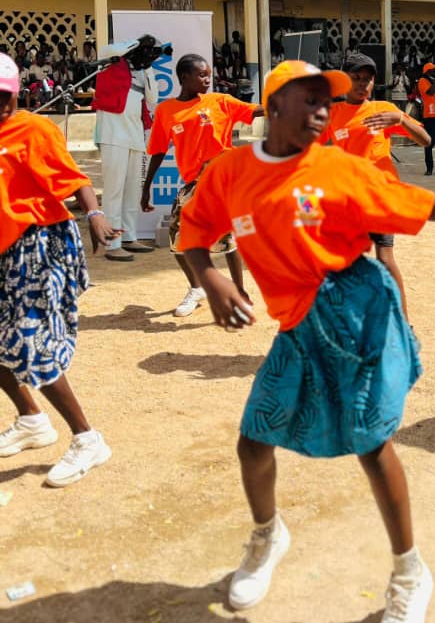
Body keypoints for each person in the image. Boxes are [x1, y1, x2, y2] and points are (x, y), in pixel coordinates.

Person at [178, 59, 435, 623]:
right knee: (254, 441)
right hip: (296, 327)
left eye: (325, 101)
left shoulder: (336, 167)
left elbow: (401, 199)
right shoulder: (231, 171)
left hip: (353, 311)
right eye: (308, 99)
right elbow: (194, 229)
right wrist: (211, 279)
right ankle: (267, 535)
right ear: (273, 107)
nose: (322, 110)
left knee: (371, 445)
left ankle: (409, 574)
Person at [0, 53, 118, 485]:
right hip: (4, 250)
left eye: (5, 96)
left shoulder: (33, 129)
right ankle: (32, 420)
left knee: (34, 342)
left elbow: (73, 178)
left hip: (39, 245)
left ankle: (88, 439)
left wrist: (95, 215)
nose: (1, 105)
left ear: (17, 94)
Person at [141, 54, 263, 317]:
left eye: (209, 74)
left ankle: (240, 293)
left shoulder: (220, 101)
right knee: (177, 240)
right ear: (184, 77)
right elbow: (158, 151)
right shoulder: (166, 111)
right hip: (192, 184)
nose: (208, 79)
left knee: (226, 236)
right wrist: (146, 187)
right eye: (202, 75)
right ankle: (197, 289)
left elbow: (256, 110)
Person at [320, 52, 431, 316]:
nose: (363, 84)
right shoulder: (332, 114)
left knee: (384, 259)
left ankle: (403, 325)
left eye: (368, 79)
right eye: (356, 78)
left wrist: (401, 119)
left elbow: (426, 140)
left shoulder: (384, 109)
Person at [92, 39, 159, 262]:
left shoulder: (140, 71)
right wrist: (137, 44)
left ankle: (129, 236)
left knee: (132, 191)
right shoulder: (110, 59)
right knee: (114, 191)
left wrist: (147, 66)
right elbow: (114, 50)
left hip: (134, 136)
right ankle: (112, 244)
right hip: (112, 136)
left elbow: (153, 99)